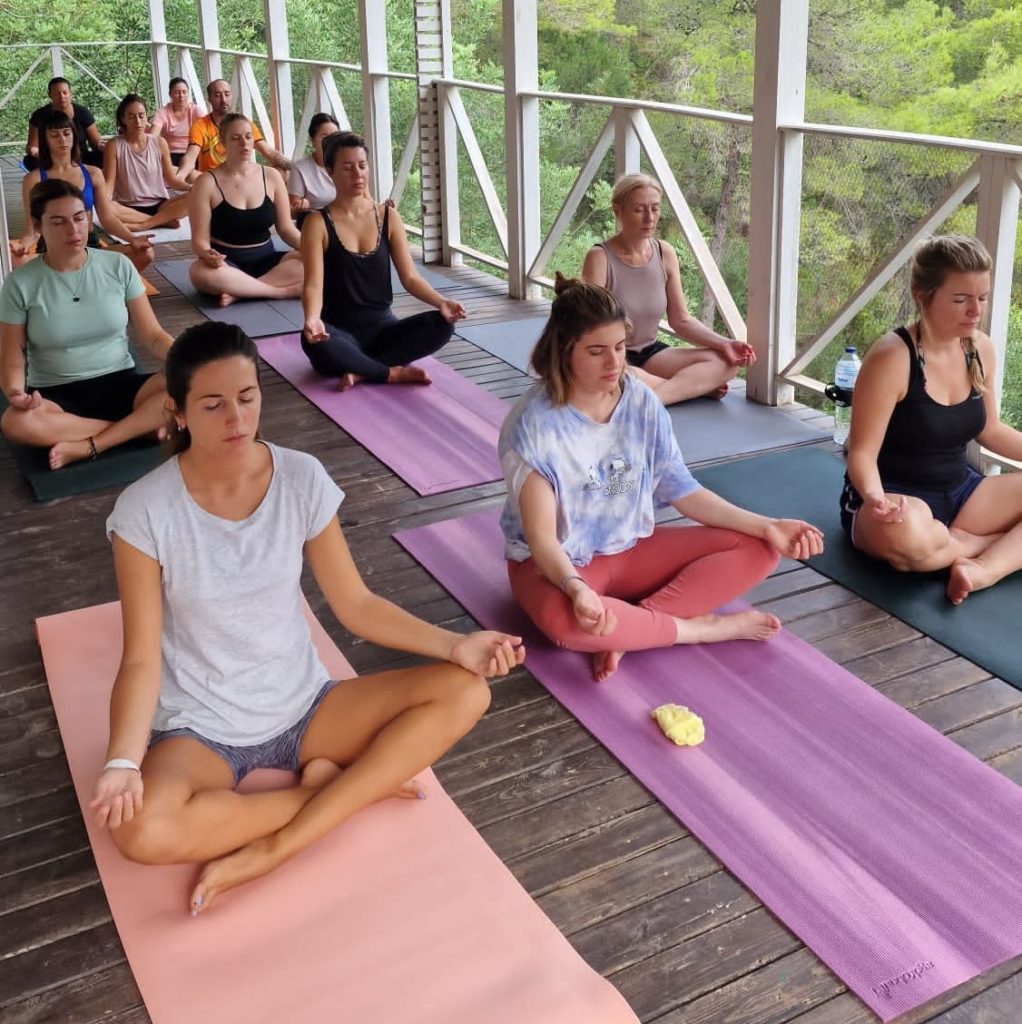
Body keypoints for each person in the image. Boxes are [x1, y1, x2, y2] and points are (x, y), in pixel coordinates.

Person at [92, 321, 524, 913]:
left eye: (247, 399)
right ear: (179, 411)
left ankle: (282, 843)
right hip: (201, 728)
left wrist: (456, 646)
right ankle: (342, 794)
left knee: (466, 692)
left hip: (306, 706)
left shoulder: (301, 477)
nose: (237, 421)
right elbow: (140, 658)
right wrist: (121, 759)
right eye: (213, 405)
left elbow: (357, 605)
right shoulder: (144, 510)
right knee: (140, 830)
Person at [499, 275, 823, 682]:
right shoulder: (533, 427)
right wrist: (577, 588)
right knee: (565, 624)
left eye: (619, 348)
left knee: (761, 548)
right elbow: (543, 539)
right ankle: (696, 630)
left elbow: (682, 491)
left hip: (629, 550)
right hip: (555, 565)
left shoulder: (641, 402)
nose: (614, 364)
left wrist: (769, 525)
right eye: (596, 352)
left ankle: (632, 630)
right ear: (564, 352)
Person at [841, 234, 1022, 605]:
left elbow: (990, 430)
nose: (975, 311)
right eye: (961, 299)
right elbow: (860, 453)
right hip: (896, 501)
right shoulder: (892, 357)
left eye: (982, 298)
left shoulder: (980, 348)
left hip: (962, 492)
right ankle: (974, 545)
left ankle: (983, 569)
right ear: (924, 296)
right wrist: (876, 499)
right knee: (906, 538)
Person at [0, 180, 171, 470]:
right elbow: (13, 356)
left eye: (79, 218)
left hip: (123, 382)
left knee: (192, 384)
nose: (73, 229)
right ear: (39, 226)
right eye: (58, 222)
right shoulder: (21, 283)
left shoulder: (119, 266)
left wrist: (187, 356)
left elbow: (153, 336)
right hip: (58, 395)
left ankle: (92, 443)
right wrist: (16, 393)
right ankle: (136, 429)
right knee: (15, 422)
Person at [301, 131, 465, 390]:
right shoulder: (317, 223)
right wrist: (312, 318)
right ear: (329, 171)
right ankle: (389, 373)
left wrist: (442, 302)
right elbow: (312, 285)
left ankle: (364, 371)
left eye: (362, 166)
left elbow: (410, 278)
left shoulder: (388, 216)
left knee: (442, 325)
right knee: (314, 341)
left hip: (384, 329)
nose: (358, 174)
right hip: (339, 331)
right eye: (347, 167)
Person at [581, 173, 755, 405]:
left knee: (727, 363)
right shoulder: (600, 257)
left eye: (655, 209)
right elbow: (588, 328)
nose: (649, 218)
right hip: (611, 357)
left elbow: (680, 320)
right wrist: (697, 383)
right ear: (617, 209)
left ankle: (655, 398)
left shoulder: (665, 253)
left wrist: (725, 344)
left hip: (652, 354)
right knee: (627, 379)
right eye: (639, 210)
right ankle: (686, 387)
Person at [10, 110, 154, 274]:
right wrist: (21, 246)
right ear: (45, 140)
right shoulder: (34, 179)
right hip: (53, 250)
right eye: (54, 135)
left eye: (66, 133)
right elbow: (33, 229)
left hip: (88, 245)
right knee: (16, 261)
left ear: (74, 136)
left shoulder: (92, 173)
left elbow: (107, 218)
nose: (62, 140)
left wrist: (133, 239)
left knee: (145, 254)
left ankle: (107, 290)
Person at [188, 113, 303, 307]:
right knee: (198, 272)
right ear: (222, 144)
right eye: (236, 138)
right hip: (226, 264)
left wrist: (317, 248)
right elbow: (199, 240)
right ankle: (280, 291)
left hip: (267, 261)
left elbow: (286, 229)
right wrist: (207, 253)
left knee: (311, 262)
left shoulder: (272, 176)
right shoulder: (206, 182)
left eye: (248, 137)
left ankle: (242, 292)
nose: (244, 143)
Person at [104, 94, 192, 231]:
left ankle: (146, 224)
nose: (138, 121)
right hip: (128, 208)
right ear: (123, 119)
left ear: (146, 116)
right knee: (106, 206)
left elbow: (172, 180)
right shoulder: (114, 145)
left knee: (196, 196)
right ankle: (162, 221)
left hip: (161, 205)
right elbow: (109, 183)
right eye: (131, 116)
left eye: (141, 115)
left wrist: (191, 188)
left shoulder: (159, 142)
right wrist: (102, 200)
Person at [177, 79, 292, 178]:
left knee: (281, 172)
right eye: (217, 95)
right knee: (191, 175)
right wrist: (180, 175)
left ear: (232, 96)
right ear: (209, 99)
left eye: (227, 94)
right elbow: (191, 156)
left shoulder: (244, 124)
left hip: (243, 175)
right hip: (214, 179)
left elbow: (269, 153)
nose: (223, 99)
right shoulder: (200, 125)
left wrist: (296, 168)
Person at [25, 76, 104, 170]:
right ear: (50, 95)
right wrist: (34, 151)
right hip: (52, 159)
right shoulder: (39, 115)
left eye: (65, 92)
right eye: (57, 93)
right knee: (30, 160)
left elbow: (95, 142)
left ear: (70, 93)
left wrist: (103, 146)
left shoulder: (82, 112)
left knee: (105, 155)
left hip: (80, 157)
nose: (62, 96)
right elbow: (32, 146)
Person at [150, 77, 206, 177]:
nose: (181, 96)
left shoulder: (195, 110)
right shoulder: (163, 112)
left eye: (184, 92)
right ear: (170, 94)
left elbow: (207, 131)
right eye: (177, 92)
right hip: (171, 154)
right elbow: (153, 136)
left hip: (193, 151)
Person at [289, 113, 340, 217]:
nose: (330, 141)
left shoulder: (349, 164)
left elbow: (365, 198)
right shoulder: (300, 168)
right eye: (324, 136)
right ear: (312, 140)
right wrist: (301, 207)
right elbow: (291, 211)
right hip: (316, 223)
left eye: (334, 136)